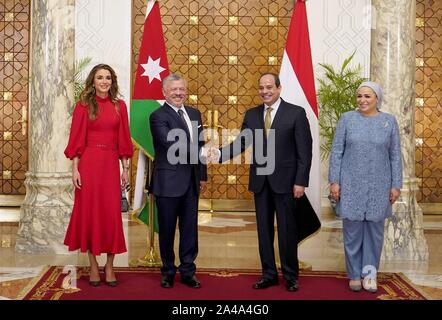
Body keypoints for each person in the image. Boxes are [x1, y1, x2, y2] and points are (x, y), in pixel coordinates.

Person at [207, 73, 320, 292]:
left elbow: (304, 152)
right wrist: (218, 154)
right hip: (261, 182)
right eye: (261, 88)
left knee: (287, 230)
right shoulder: (252, 115)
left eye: (269, 87)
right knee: (263, 231)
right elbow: (241, 143)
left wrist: (300, 181)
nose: (265, 91)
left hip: (287, 183)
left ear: (279, 88)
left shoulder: (296, 114)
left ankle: (290, 276)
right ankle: (268, 274)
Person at [328, 81, 402, 293]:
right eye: (359, 96)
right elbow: (337, 151)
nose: (362, 100)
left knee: (374, 235)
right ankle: (353, 275)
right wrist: (335, 181)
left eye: (367, 96)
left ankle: (369, 275)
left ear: (377, 99)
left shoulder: (389, 121)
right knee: (352, 233)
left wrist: (396, 185)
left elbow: (395, 156)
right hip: (350, 184)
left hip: (380, 185)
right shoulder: (347, 119)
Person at [64, 64, 133, 287]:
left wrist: (126, 169)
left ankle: (110, 265)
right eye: (99, 77)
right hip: (89, 165)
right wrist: (75, 169)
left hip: (111, 165)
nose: (104, 81)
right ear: (93, 81)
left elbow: (124, 139)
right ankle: (93, 265)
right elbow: (77, 139)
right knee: (90, 213)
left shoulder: (119, 106)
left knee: (111, 214)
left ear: (112, 82)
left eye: (108, 78)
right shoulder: (83, 106)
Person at [149, 73, 207, 289]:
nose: (178, 93)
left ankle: (188, 271)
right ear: (164, 92)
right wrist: (213, 152)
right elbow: (171, 144)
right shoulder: (158, 116)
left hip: (191, 182)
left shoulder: (195, 114)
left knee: (190, 229)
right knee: (166, 229)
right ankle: (167, 271)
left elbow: (200, 146)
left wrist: (202, 174)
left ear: (186, 91)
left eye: (181, 89)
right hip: (168, 182)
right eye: (174, 90)